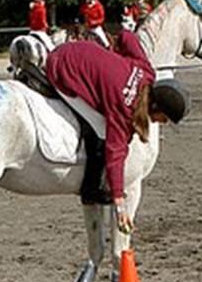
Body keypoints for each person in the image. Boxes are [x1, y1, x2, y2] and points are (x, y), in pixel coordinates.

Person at [46, 29, 191, 232]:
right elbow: (115, 155)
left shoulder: (147, 72)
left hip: (79, 50)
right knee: (102, 131)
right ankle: (92, 187)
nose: (162, 123)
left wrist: (112, 51)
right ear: (155, 106)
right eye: (164, 118)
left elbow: (126, 36)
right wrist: (119, 203)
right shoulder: (124, 109)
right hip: (62, 66)